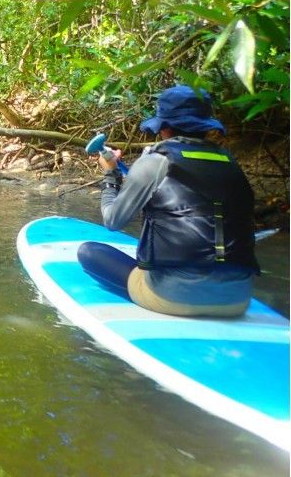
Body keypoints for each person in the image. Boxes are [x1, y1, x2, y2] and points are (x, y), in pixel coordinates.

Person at [77, 84, 260, 317]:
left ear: (163, 127)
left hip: (172, 297)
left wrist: (111, 175)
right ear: (205, 127)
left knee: (89, 252)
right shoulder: (230, 162)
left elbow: (112, 220)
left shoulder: (155, 161)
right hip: (238, 300)